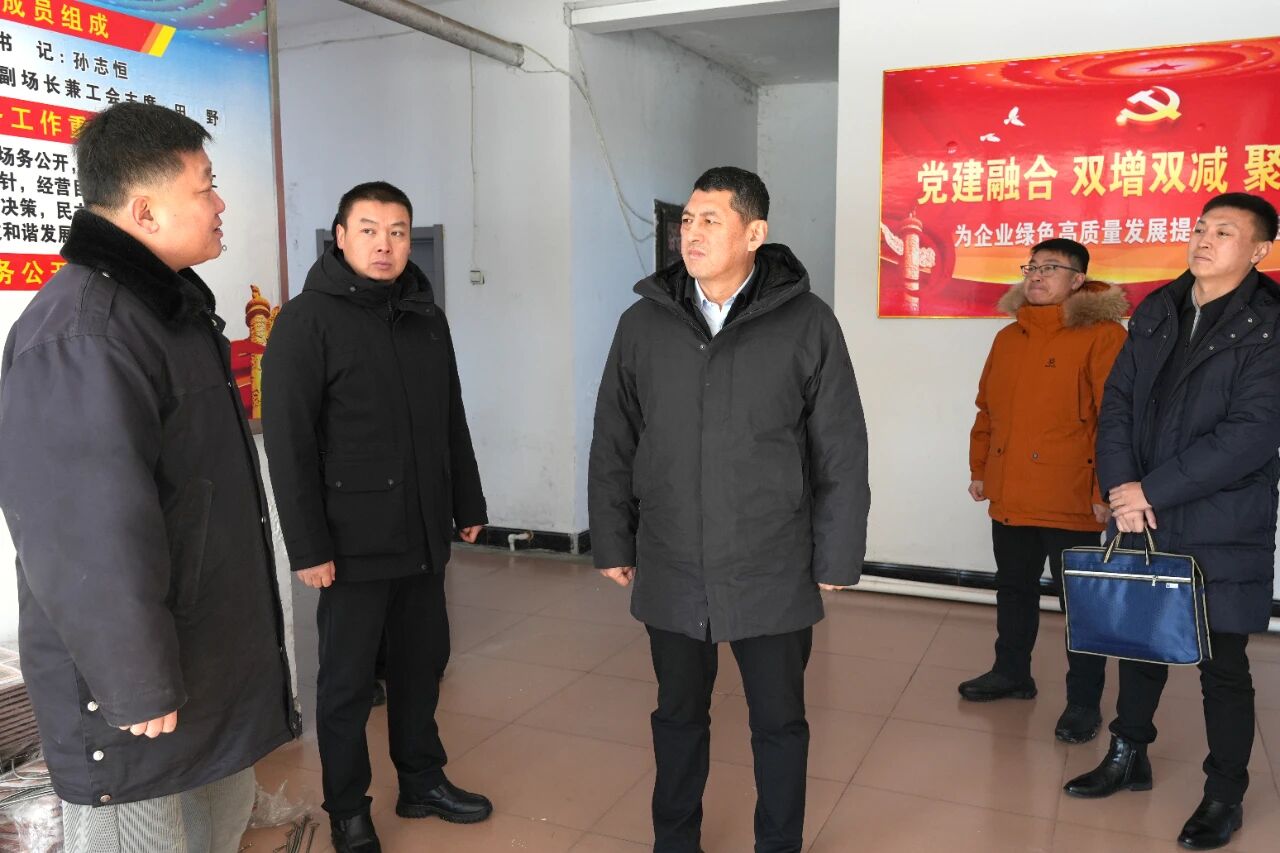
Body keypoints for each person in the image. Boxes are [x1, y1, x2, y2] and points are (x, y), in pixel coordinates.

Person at [0, 102, 298, 853]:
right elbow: (81, 535)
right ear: (144, 210)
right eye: (206, 186)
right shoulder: (83, 333)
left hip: (201, 659)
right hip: (136, 698)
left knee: (213, 831)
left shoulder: (168, 311)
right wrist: (134, 681)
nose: (221, 203)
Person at [589, 166, 870, 853]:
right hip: (673, 556)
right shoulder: (643, 323)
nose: (691, 233)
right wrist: (613, 540)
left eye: (711, 220)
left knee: (779, 721)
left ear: (755, 233)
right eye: (687, 220)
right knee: (677, 715)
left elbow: (840, 445)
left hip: (771, 561)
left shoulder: (807, 322)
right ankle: (675, 839)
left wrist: (837, 554)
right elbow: (614, 438)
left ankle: (778, 843)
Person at [261, 181, 490, 853]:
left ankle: (422, 781)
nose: (384, 244)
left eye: (396, 231)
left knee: (422, 665)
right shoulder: (307, 321)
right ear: (340, 237)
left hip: (421, 530)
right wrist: (307, 546)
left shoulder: (425, 317)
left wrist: (468, 501)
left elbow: (450, 416)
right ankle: (347, 809)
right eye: (368, 229)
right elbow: (289, 442)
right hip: (351, 540)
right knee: (348, 682)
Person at [1064, 193, 1280, 851]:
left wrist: (1147, 489)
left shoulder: (1270, 324)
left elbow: (1253, 432)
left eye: (1224, 232)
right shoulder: (1160, 307)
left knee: (1222, 665)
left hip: (1221, 516)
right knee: (1138, 642)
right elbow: (1118, 403)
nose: (1204, 240)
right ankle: (1128, 753)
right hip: (1141, 510)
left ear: (1260, 250)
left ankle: (1224, 794)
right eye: (1200, 227)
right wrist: (1121, 489)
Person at [959, 239, 1127, 744]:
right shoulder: (1009, 337)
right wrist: (981, 468)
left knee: (1082, 605)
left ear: (1078, 280)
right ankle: (1012, 673)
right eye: (1031, 266)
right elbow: (987, 410)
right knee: (1013, 589)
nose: (1036, 275)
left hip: (1072, 497)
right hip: (1011, 492)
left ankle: (1084, 702)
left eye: (1051, 268)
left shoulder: (1104, 336)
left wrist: (1105, 490)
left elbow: (1115, 420)